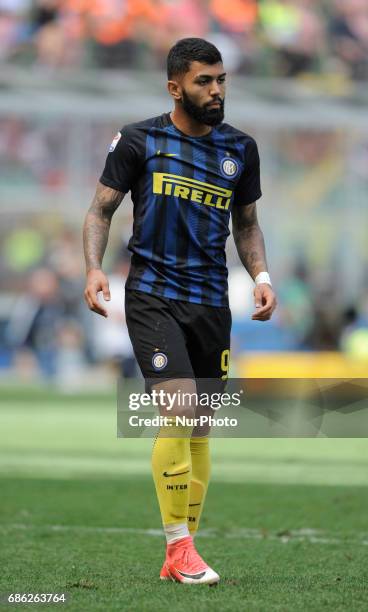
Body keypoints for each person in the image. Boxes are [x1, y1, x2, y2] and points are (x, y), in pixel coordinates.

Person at [83, 37, 277, 585]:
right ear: (175, 87)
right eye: (203, 81)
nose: (215, 91)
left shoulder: (241, 149)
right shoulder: (140, 140)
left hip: (212, 300)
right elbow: (100, 209)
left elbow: (248, 223)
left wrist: (260, 276)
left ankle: (182, 550)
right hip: (152, 294)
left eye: (221, 80)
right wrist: (94, 269)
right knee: (179, 412)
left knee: (201, 429)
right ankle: (179, 549)